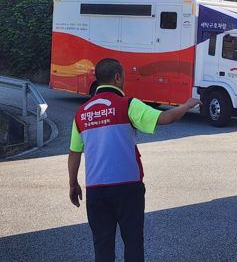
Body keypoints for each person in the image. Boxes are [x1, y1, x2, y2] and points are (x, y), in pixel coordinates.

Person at [67, 58, 200, 262]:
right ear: (117, 77)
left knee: (102, 245)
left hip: (96, 190)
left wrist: (73, 183)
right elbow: (165, 118)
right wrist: (186, 105)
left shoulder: (81, 113)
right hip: (128, 188)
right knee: (133, 242)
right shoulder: (127, 104)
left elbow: (74, 152)